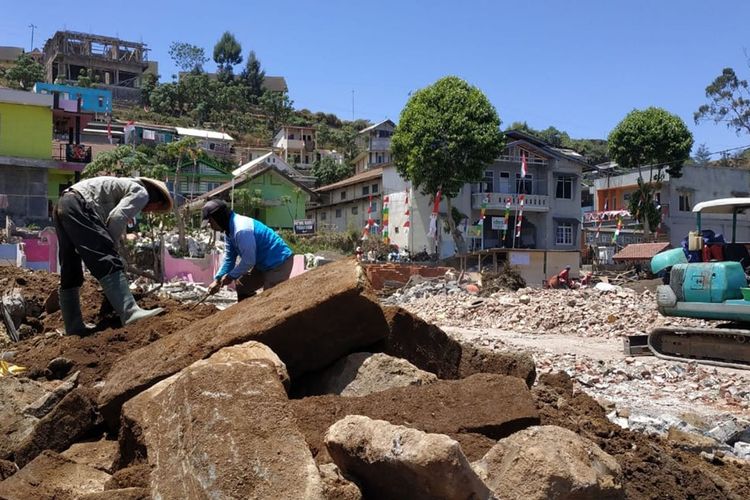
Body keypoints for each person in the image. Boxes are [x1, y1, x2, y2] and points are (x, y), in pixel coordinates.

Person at [54, 176, 173, 335]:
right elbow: (117, 217)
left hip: (63, 203)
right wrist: (110, 249)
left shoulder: (121, 187)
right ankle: (130, 312)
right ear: (158, 202)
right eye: (155, 209)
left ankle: (73, 326)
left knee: (70, 264)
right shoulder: (141, 193)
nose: (149, 211)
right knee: (106, 258)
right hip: (79, 203)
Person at [203, 199, 294, 301]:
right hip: (263, 264)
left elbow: (249, 261)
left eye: (210, 221)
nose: (209, 225)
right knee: (243, 286)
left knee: (270, 299)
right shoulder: (229, 232)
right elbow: (229, 259)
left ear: (218, 218)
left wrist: (230, 276)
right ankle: (247, 315)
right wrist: (217, 279)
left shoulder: (241, 230)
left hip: (279, 261)